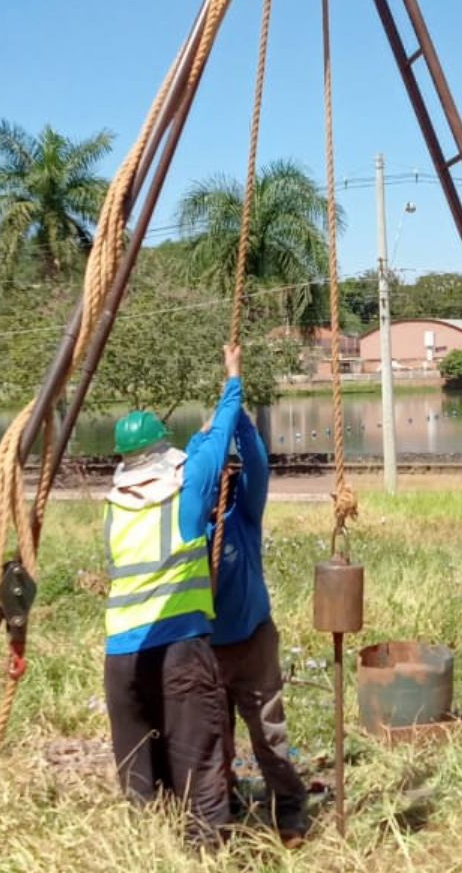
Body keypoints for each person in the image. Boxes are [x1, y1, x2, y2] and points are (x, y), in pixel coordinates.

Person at [102, 344, 242, 850]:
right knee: (199, 761)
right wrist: (232, 379)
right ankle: (205, 854)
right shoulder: (186, 494)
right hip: (180, 648)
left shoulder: (114, 508)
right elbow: (219, 439)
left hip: (121, 657)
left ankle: (145, 853)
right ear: (165, 453)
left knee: (139, 771)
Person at [196, 406, 309, 847]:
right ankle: (224, 804)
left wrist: (237, 416)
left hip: (252, 643)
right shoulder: (186, 522)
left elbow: (258, 465)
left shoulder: (241, 517)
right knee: (212, 739)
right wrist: (208, 435)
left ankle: (291, 809)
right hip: (203, 650)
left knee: (268, 734)